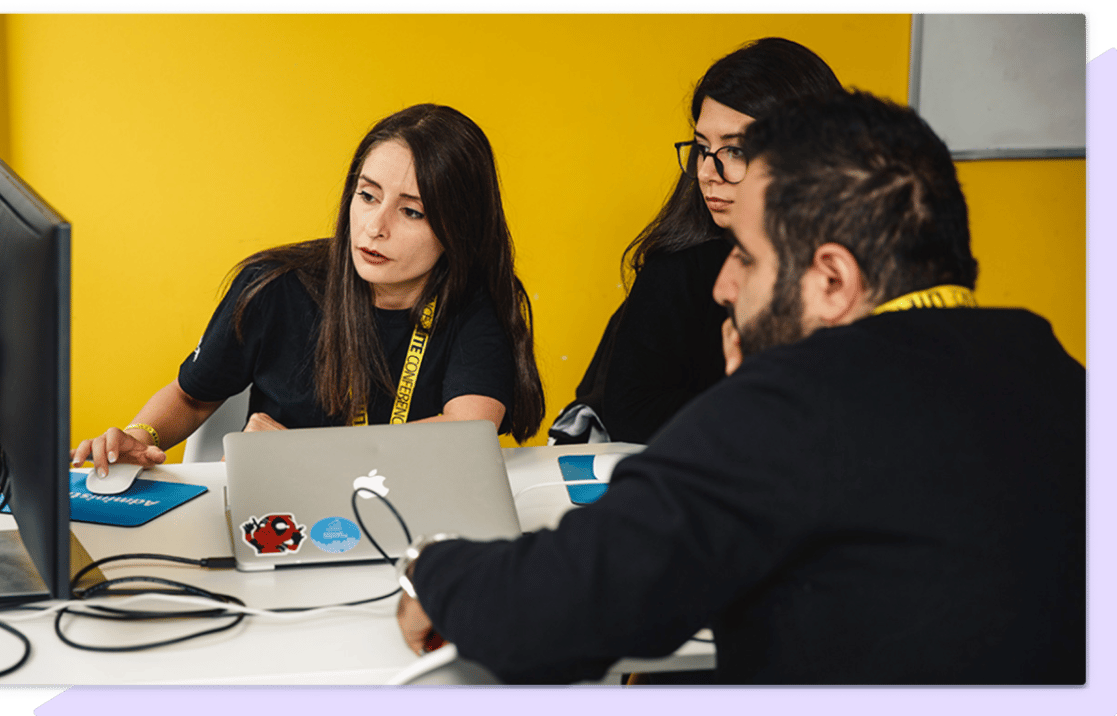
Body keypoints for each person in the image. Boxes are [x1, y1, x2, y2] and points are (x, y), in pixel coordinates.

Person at [396, 90, 1085, 685]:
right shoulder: (1059, 373)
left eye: (747, 258)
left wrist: (432, 565)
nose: (724, 287)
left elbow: (555, 609)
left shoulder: (801, 399)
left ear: (833, 281)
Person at [72, 104, 546, 473]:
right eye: (367, 195)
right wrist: (142, 434)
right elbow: (194, 395)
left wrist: (305, 454)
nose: (374, 227)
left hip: (410, 512)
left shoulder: (472, 300)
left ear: (459, 229)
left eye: (412, 211)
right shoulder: (275, 287)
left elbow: (468, 432)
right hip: (278, 513)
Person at [549, 37, 841, 445]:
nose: (707, 171)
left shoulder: (857, 259)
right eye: (703, 148)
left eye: (735, 151)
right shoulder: (684, 262)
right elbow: (632, 412)